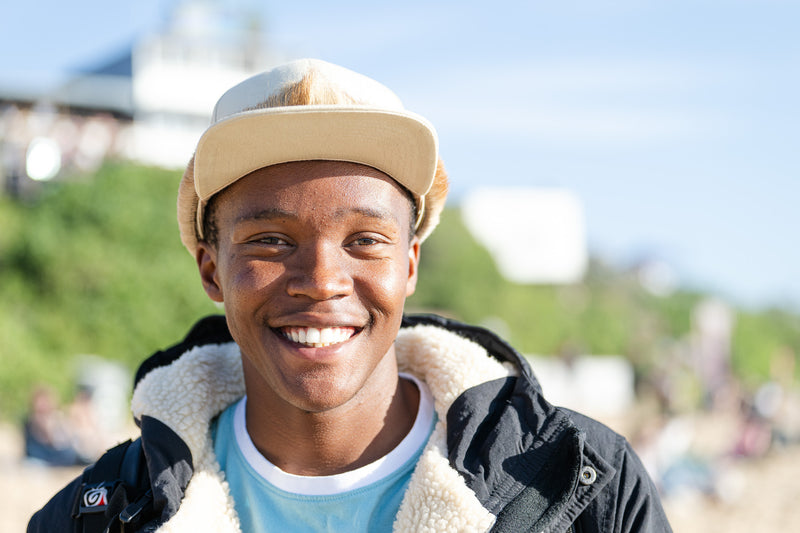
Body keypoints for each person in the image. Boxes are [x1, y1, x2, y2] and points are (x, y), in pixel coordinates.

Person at [29, 59, 672, 532]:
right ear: (211, 271)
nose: (322, 279)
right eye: (271, 241)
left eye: (365, 240)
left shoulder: (587, 488)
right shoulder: (100, 515)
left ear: (410, 264)